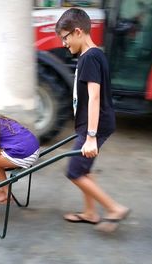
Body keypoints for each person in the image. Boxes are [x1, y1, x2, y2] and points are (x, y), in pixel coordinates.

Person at [55, 8, 130, 232]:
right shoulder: (96, 54)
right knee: (84, 170)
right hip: (93, 124)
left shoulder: (88, 58)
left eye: (65, 37)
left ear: (78, 32)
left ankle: (114, 208)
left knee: (74, 171)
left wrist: (90, 136)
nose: (64, 44)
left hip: (94, 126)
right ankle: (90, 213)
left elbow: (95, 96)